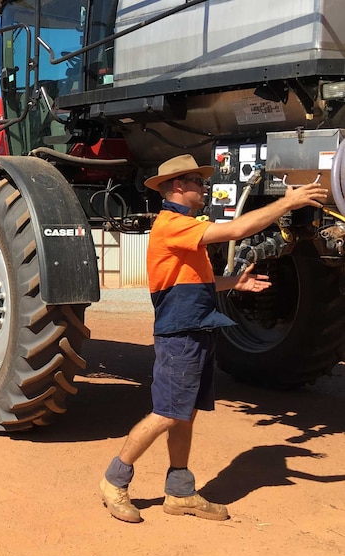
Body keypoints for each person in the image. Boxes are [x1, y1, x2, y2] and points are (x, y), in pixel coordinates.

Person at [99, 154, 328, 523]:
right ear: (177, 186)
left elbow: (195, 283)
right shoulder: (172, 224)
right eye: (197, 181)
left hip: (197, 329)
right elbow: (236, 231)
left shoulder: (185, 227)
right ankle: (115, 480)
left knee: (184, 414)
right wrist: (286, 202)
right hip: (180, 336)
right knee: (165, 414)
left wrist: (233, 282)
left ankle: (180, 492)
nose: (204, 187)